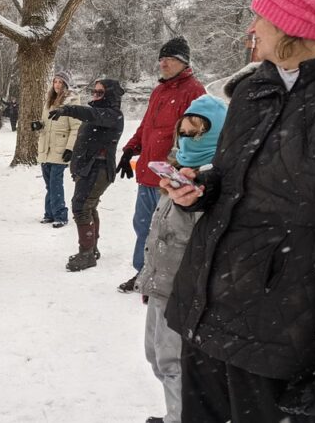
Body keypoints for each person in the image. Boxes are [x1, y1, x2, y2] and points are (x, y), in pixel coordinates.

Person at [162, 0, 315, 421]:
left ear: (289, 24)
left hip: (277, 336)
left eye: (261, 17)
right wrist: (199, 190)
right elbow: (232, 181)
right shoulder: (254, 90)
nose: (252, 27)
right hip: (206, 314)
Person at [134, 95, 228, 423]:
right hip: (160, 284)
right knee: (156, 359)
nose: (186, 139)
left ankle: (181, 418)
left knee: (174, 363)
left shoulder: (215, 180)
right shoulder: (176, 171)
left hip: (183, 292)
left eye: (196, 133)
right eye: (183, 132)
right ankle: (178, 413)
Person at [116, 36, 206, 293]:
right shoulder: (159, 90)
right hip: (147, 172)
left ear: (183, 62)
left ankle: (169, 280)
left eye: (169, 58)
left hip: (171, 178)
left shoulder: (194, 91)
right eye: (161, 58)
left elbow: (197, 136)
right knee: (142, 225)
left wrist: (185, 167)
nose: (163, 63)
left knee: (168, 232)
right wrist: (130, 149)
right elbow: (147, 126)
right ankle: (142, 272)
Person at [48, 79, 125, 271]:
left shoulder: (112, 115)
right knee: (88, 207)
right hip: (87, 168)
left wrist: (68, 109)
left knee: (81, 207)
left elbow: (90, 113)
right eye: (94, 91)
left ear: (110, 95)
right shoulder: (98, 114)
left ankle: (86, 254)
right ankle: (91, 249)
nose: (95, 95)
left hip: (98, 169)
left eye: (100, 93)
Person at [31, 71, 82, 228]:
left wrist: (70, 148)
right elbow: (47, 123)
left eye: (60, 82)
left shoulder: (72, 103)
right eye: (55, 82)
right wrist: (39, 125)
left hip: (60, 149)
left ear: (66, 84)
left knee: (55, 183)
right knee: (49, 184)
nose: (57, 85)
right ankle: (50, 213)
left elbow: (76, 128)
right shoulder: (49, 102)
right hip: (46, 148)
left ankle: (61, 215)